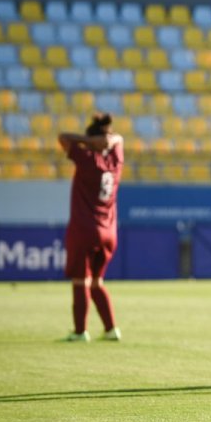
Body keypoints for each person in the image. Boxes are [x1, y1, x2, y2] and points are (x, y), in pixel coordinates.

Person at [58, 113, 124, 342]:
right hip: (109, 232)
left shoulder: (87, 159)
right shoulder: (115, 161)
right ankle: (111, 329)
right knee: (96, 282)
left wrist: (88, 142)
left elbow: (63, 137)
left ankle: (80, 332)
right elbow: (119, 140)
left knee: (80, 281)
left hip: (85, 229)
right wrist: (108, 140)